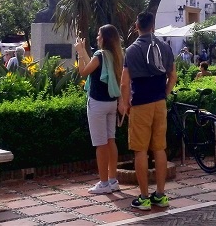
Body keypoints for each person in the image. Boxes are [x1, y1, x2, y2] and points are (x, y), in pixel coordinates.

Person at [119, 12, 177, 211]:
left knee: (140, 150)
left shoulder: (132, 50)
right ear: (153, 26)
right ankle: (160, 195)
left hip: (141, 103)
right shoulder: (165, 47)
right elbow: (173, 76)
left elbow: (125, 82)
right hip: (159, 102)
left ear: (137, 27)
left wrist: (125, 103)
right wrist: (164, 94)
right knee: (159, 148)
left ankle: (143, 197)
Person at [75, 25, 123, 194]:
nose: (97, 38)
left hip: (97, 103)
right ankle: (112, 180)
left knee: (100, 144)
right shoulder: (114, 55)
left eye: (98, 35)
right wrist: (84, 52)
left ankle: (103, 183)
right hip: (111, 102)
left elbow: (83, 71)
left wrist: (80, 52)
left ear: (104, 38)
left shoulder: (100, 55)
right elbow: (92, 68)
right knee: (111, 140)